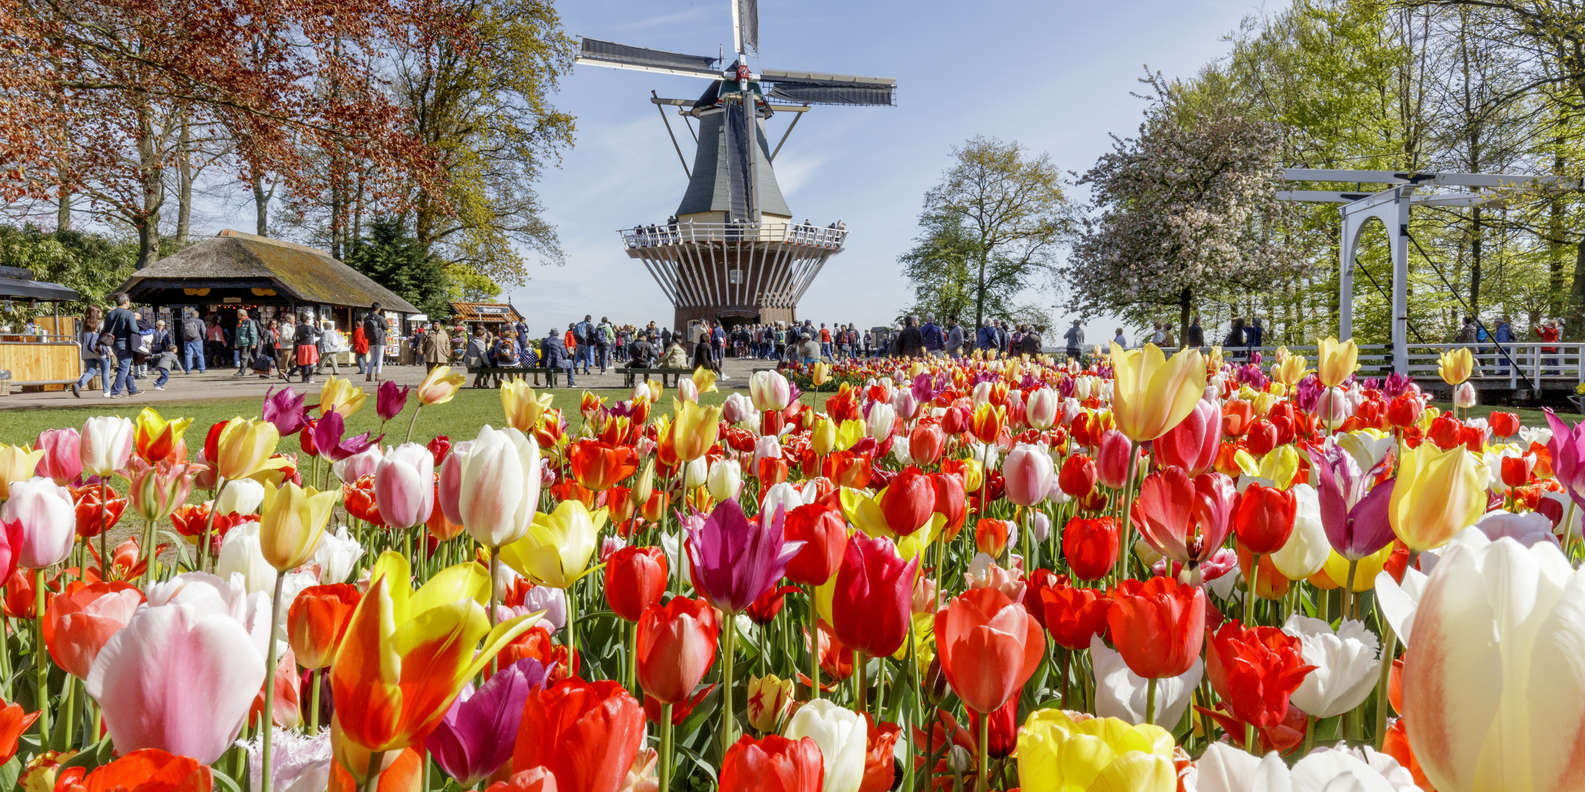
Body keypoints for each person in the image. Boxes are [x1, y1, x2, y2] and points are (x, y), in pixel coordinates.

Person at [102, 293, 140, 397]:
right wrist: (139, 326)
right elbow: (134, 329)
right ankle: (115, 391)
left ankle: (132, 390)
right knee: (124, 368)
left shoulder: (110, 314)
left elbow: (105, 329)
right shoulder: (128, 313)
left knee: (125, 366)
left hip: (114, 344)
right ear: (126, 301)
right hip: (125, 343)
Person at [70, 306, 109, 398]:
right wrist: (110, 351)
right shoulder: (101, 323)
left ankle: (78, 384)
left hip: (87, 352)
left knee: (91, 371)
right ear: (97, 313)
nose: (102, 313)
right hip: (100, 351)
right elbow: (106, 338)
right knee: (105, 371)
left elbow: (80, 339)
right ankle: (107, 392)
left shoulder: (84, 324)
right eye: (100, 311)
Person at [148, 318, 176, 390]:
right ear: (157, 325)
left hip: (162, 347)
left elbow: (167, 340)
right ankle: (153, 368)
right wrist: (150, 345)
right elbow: (150, 339)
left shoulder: (165, 332)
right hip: (155, 345)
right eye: (160, 325)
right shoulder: (154, 331)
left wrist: (169, 347)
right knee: (155, 357)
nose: (161, 326)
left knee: (162, 358)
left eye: (163, 325)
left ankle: (161, 369)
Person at [362, 304, 387, 382]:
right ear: (378, 309)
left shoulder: (366, 318)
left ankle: (368, 376)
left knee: (372, 358)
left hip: (371, 340)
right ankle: (378, 376)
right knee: (379, 358)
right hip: (380, 339)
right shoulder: (380, 318)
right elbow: (386, 327)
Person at [292, 312, 319, 383]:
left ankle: (304, 378)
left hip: (301, 346)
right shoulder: (310, 327)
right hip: (310, 346)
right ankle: (309, 377)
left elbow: (294, 338)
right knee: (311, 362)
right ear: (307, 319)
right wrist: (317, 326)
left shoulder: (298, 328)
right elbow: (319, 333)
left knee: (303, 363)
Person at [233, 309, 259, 376]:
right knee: (248, 357)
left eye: (238, 314)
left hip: (246, 342)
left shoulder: (249, 322)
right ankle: (257, 369)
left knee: (243, 357)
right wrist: (236, 343)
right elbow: (237, 333)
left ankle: (242, 371)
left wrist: (254, 343)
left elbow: (253, 333)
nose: (237, 315)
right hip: (240, 342)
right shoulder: (240, 322)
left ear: (242, 315)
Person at [180, 308, 205, 374]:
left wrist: (184, 338)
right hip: (198, 340)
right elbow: (203, 331)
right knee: (200, 354)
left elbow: (182, 331)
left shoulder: (185, 321)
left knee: (188, 355)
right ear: (197, 315)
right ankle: (201, 369)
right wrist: (203, 338)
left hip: (187, 340)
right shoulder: (200, 321)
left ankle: (188, 370)